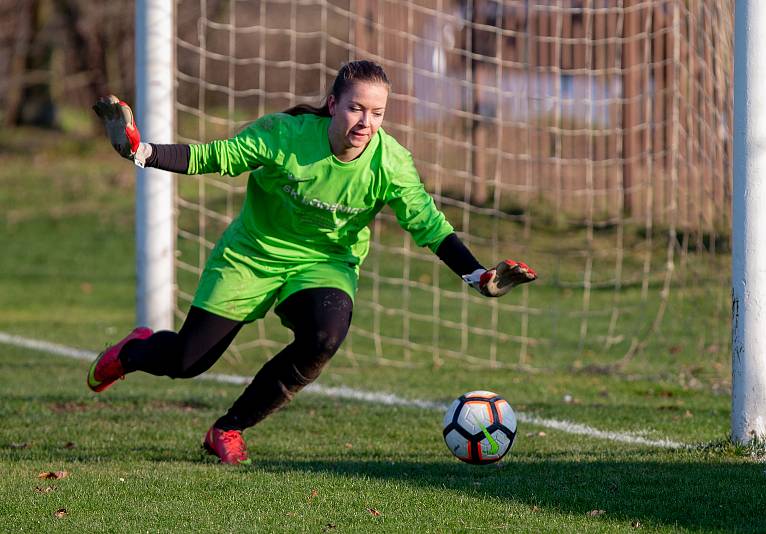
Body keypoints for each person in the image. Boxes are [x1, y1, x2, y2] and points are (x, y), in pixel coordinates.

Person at [88, 60, 537, 465]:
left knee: (324, 337)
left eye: (377, 113)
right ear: (333, 104)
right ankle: (134, 350)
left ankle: (228, 428)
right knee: (187, 362)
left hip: (325, 265)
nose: (366, 122)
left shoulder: (392, 164)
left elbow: (430, 226)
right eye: (356, 109)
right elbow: (215, 157)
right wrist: (141, 152)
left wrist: (478, 275)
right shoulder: (284, 135)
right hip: (253, 254)